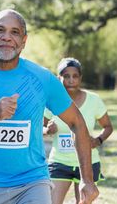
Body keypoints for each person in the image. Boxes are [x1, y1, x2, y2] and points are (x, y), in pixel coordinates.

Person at [0, 9, 99, 204]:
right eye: (0, 30)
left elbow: (77, 122)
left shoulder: (42, 78)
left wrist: (87, 179)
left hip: (32, 182)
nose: (7, 37)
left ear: (24, 40)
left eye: (15, 32)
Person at [43, 58, 113, 204]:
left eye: (75, 76)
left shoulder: (94, 100)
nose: (71, 80)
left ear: (80, 78)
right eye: (66, 76)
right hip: (59, 162)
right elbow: (39, 128)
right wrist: (47, 130)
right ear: (58, 78)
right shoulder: (52, 101)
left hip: (88, 162)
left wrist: (98, 140)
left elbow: (108, 127)